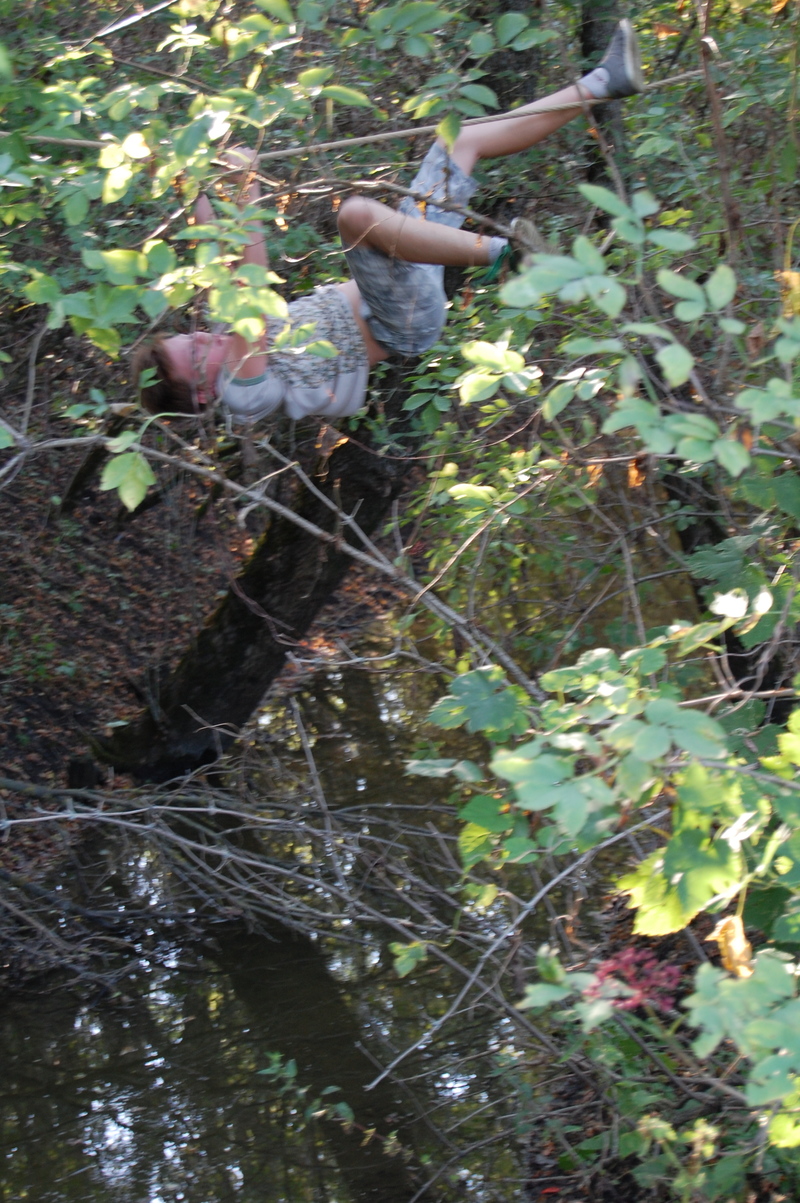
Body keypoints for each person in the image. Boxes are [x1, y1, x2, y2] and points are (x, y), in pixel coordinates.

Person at [134, 20, 644, 421]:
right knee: (355, 215)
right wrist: (247, 189)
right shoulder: (243, 394)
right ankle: (510, 256)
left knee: (460, 141)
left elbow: (218, 245)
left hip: (405, 269)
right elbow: (249, 283)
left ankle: (605, 81)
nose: (203, 338)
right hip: (402, 319)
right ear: (203, 394)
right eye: (196, 353)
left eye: (191, 336)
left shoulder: (224, 334)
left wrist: (187, 175)